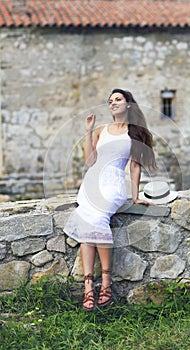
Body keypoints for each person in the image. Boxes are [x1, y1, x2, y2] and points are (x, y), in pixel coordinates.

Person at [63, 88, 157, 311]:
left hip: (113, 185)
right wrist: (88, 132)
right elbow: (90, 160)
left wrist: (135, 195)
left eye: (118, 99)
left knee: (97, 220)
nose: (113, 103)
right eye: (110, 100)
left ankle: (105, 281)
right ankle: (89, 287)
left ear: (128, 105)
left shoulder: (134, 133)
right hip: (91, 183)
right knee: (89, 225)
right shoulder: (101, 130)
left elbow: (135, 166)